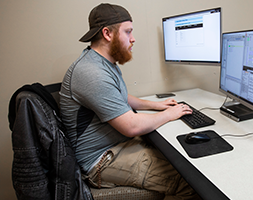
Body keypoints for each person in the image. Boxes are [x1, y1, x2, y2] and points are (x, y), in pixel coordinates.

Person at [59, 3, 200, 199]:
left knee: (181, 156)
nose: (133, 39)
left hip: (117, 145)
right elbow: (131, 127)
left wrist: (156, 105)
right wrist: (169, 114)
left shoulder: (102, 62)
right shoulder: (91, 73)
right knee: (190, 181)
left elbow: (119, 97)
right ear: (107, 33)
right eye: (128, 32)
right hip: (102, 160)